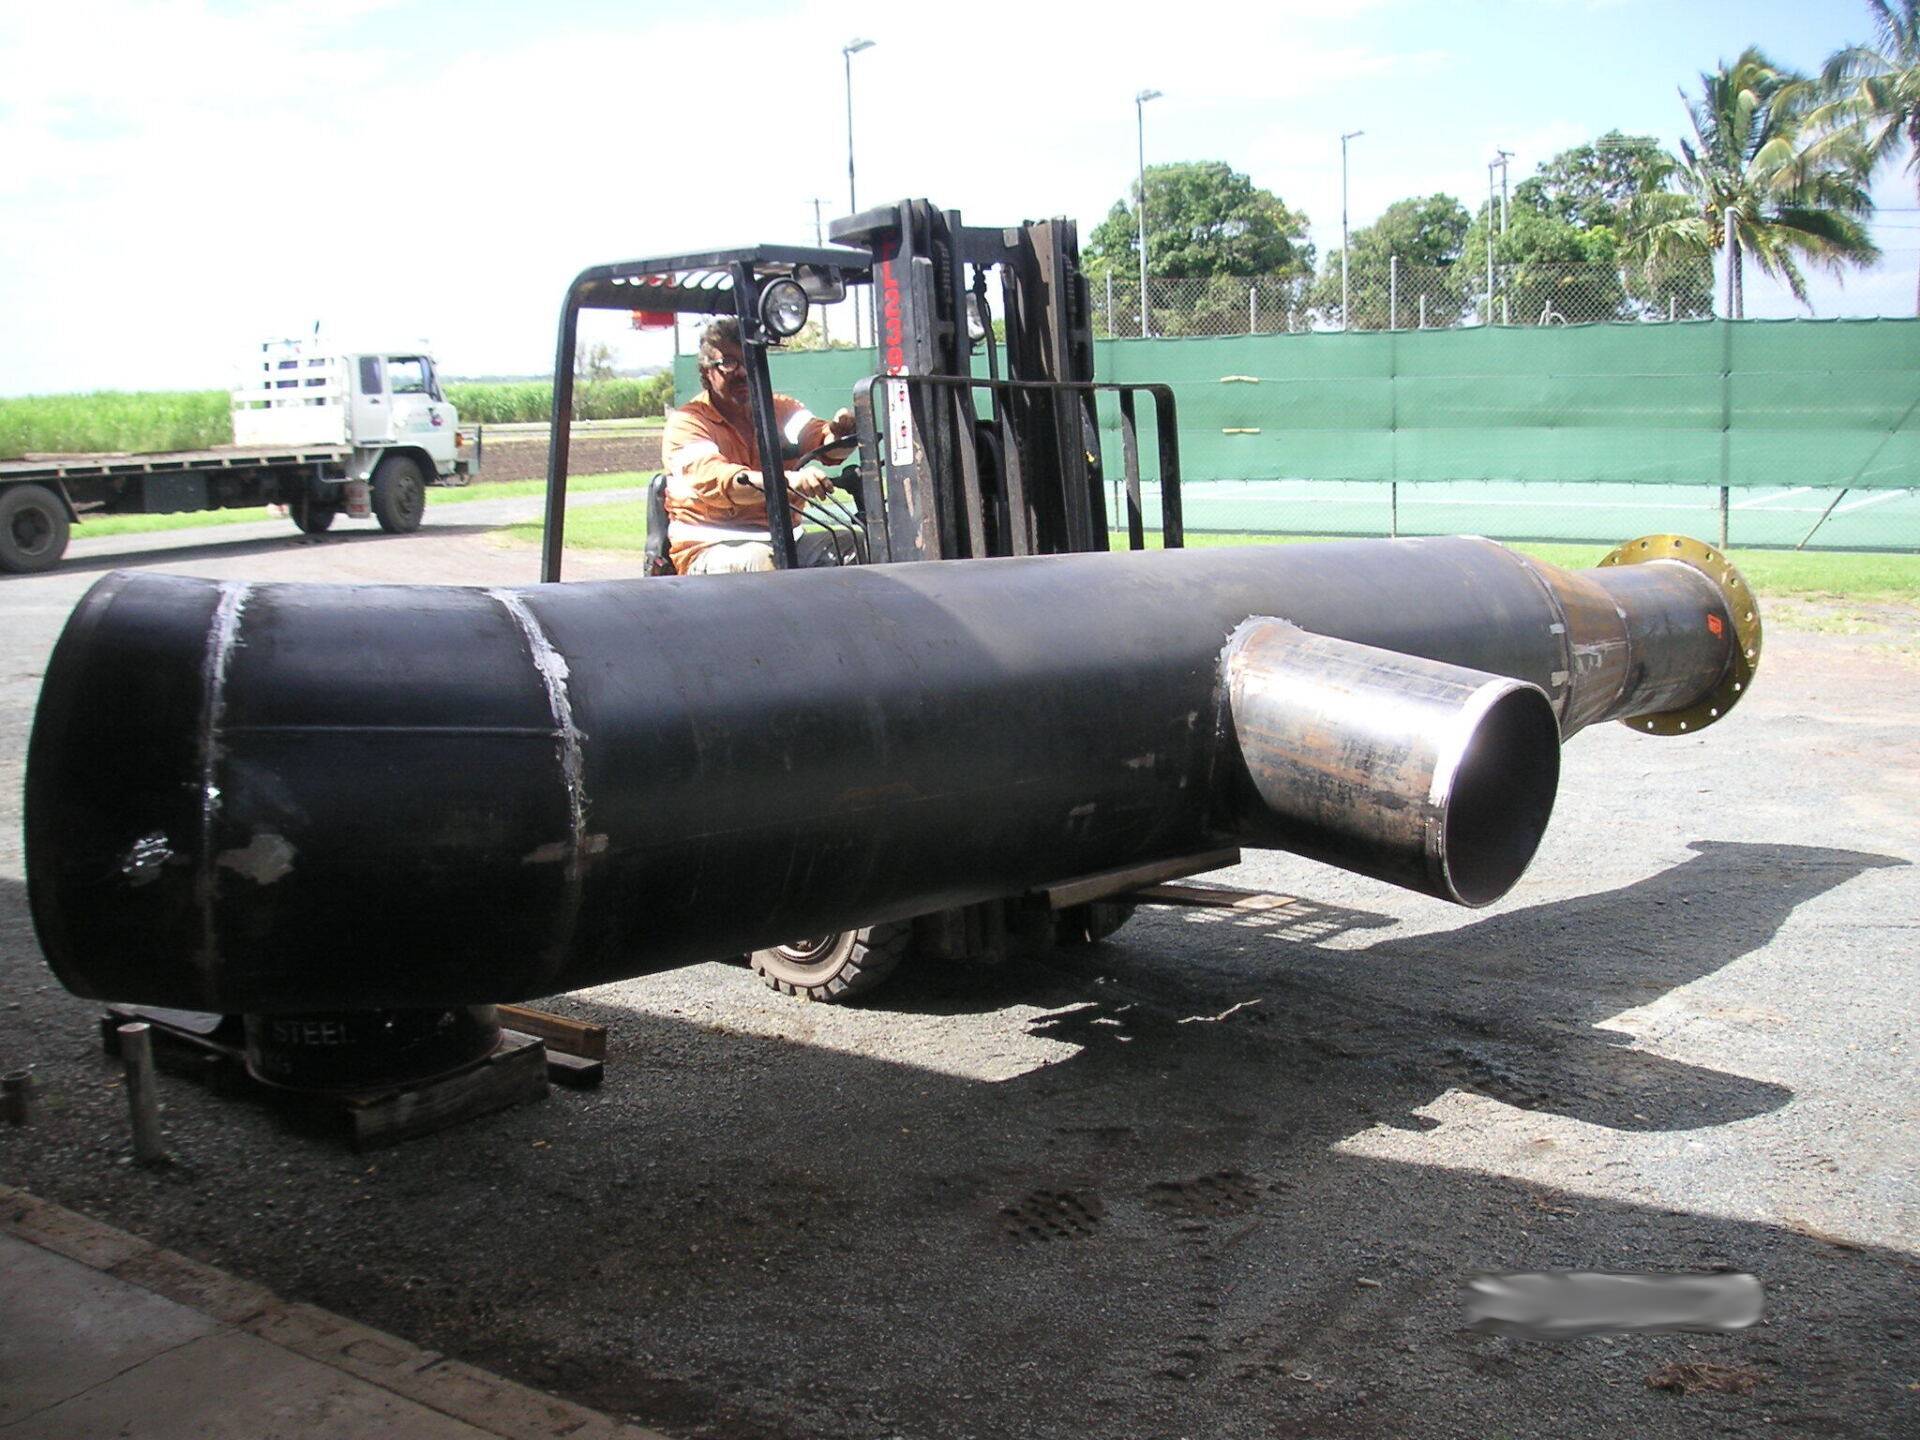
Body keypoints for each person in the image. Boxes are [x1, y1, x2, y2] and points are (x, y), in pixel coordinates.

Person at [658, 317, 860, 574]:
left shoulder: (780, 410)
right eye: (729, 363)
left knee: (856, 545)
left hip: (784, 540)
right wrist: (788, 482)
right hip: (710, 545)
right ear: (707, 372)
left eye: (748, 362)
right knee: (764, 563)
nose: (742, 372)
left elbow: (824, 444)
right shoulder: (688, 423)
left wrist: (839, 435)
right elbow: (723, 482)